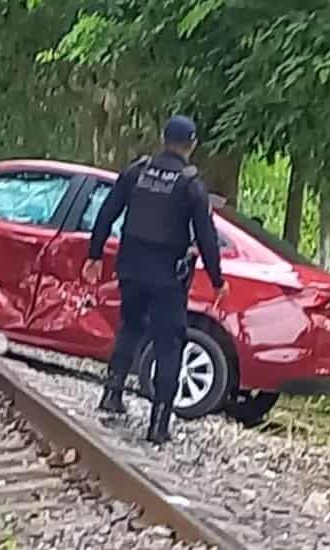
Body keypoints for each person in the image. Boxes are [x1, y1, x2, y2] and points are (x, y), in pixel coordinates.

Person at [82, 115, 229, 445]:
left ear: (163, 138)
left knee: (130, 326)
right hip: (167, 278)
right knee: (168, 343)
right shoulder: (191, 184)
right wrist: (217, 280)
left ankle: (112, 393)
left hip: (131, 269)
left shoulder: (137, 171)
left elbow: (107, 213)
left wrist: (93, 256)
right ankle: (159, 422)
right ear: (192, 146)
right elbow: (206, 237)